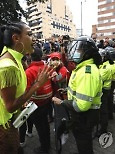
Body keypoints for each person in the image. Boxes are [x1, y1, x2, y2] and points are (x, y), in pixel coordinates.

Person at [0, 22, 53, 154]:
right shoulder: (8, 66)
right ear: (16, 38)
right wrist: (37, 85)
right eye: (29, 34)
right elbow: (10, 106)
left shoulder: (14, 58)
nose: (34, 38)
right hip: (4, 128)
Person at [52, 36, 102, 154]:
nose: (75, 52)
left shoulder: (86, 72)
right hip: (84, 116)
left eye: (79, 50)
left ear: (87, 53)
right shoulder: (82, 68)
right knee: (83, 142)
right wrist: (67, 91)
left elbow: (82, 105)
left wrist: (62, 102)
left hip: (85, 116)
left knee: (84, 145)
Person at [19, 47, 53, 153]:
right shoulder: (46, 66)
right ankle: (47, 144)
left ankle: (44, 148)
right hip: (47, 101)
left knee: (40, 127)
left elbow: (26, 91)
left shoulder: (29, 71)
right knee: (45, 125)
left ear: (30, 56)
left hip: (36, 105)